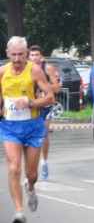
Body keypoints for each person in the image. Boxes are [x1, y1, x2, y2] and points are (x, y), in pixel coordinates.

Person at [0, 36, 55, 223]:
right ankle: (18, 211)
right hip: (10, 127)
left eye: (20, 55)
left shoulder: (35, 71)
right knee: (14, 168)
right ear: (7, 54)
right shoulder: (1, 72)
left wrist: (30, 102)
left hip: (32, 126)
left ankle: (30, 188)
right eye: (13, 55)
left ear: (25, 54)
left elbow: (50, 98)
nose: (16, 59)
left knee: (31, 174)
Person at [28, 45, 62, 180]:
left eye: (37, 55)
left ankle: (44, 161)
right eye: (32, 55)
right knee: (31, 137)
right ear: (29, 56)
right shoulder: (26, 69)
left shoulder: (48, 69)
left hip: (46, 105)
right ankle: (32, 167)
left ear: (41, 56)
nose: (35, 57)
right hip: (32, 106)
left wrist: (44, 85)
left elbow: (57, 89)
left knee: (44, 135)